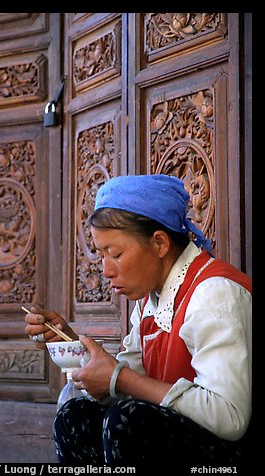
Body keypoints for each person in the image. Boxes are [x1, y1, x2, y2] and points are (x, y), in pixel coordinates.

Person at [24, 174, 252, 468]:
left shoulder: (214, 292)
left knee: (127, 422)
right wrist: (72, 348)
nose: (106, 270)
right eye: (101, 254)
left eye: (115, 254)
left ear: (159, 243)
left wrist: (120, 378)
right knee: (74, 417)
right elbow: (122, 378)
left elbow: (229, 418)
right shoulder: (150, 300)